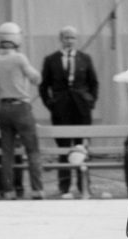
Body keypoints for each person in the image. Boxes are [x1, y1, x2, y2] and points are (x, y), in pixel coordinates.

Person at [0, 22, 44, 199]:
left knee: (6, 152)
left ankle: (7, 191)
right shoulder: (19, 58)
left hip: (2, 109)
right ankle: (37, 189)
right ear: (16, 37)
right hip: (21, 108)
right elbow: (35, 78)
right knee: (32, 150)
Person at [40, 26, 99, 199]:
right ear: (61, 39)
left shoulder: (85, 59)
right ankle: (64, 186)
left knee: (82, 148)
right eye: (66, 37)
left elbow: (93, 83)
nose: (69, 41)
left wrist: (90, 101)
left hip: (81, 109)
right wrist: (51, 104)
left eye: (72, 38)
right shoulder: (51, 60)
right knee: (63, 148)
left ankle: (83, 186)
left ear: (76, 39)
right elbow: (44, 86)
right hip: (60, 109)